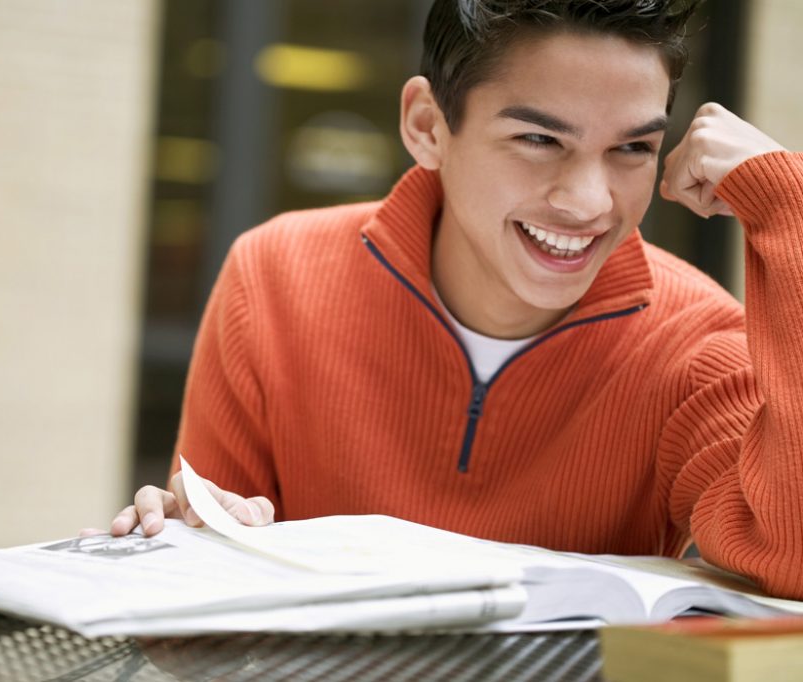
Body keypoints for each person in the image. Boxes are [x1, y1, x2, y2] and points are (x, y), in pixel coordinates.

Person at [95, 0, 803, 599]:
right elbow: (197, 606)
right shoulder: (274, 274)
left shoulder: (702, 343)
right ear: (428, 126)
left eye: (633, 150)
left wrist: (790, 209)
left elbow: (791, 556)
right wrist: (182, 539)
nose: (589, 202)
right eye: (538, 138)